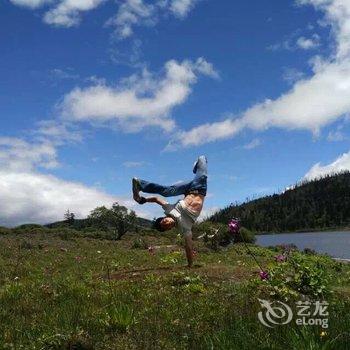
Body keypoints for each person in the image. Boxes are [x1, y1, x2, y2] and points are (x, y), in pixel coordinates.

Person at [132, 156, 208, 267]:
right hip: (200, 187)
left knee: (167, 192)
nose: (167, 224)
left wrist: (143, 200)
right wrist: (190, 265)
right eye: (166, 227)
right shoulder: (184, 228)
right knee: (203, 162)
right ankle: (197, 166)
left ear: (164, 218)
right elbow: (188, 246)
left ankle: (140, 184)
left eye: (164, 222)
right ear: (170, 228)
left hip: (188, 188)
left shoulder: (169, 210)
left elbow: (157, 199)